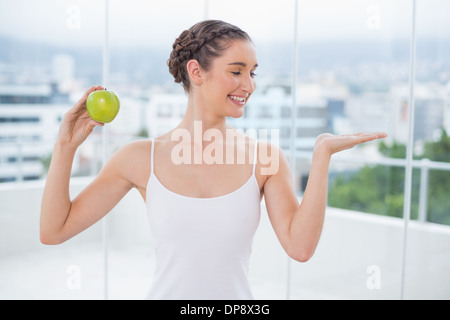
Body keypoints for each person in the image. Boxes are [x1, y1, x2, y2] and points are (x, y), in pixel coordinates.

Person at [40, 20, 387, 299]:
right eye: (236, 71)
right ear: (196, 72)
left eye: (253, 72)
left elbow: (300, 248)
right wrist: (65, 146)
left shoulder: (265, 156)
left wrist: (321, 156)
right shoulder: (138, 158)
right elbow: (54, 231)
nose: (248, 85)